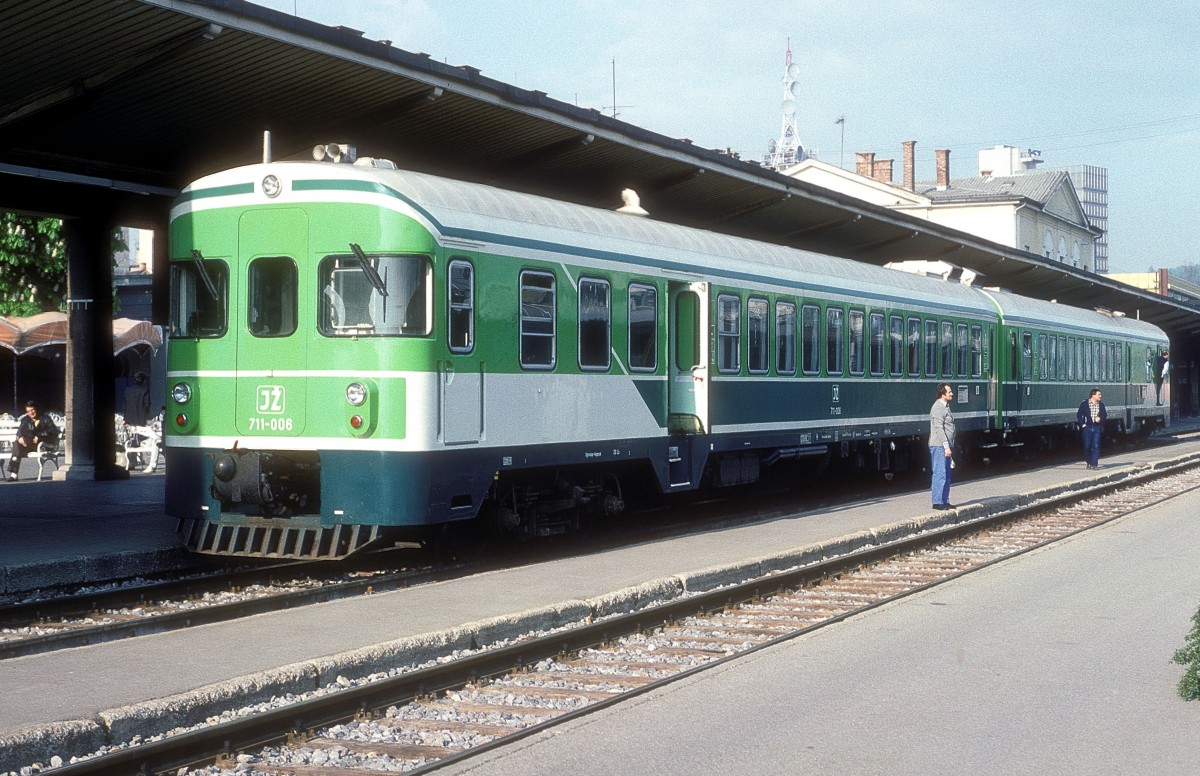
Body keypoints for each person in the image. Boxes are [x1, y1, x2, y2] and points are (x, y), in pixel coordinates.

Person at [4, 400, 59, 481]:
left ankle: (14, 475)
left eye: (32, 410)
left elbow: (53, 430)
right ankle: (14, 474)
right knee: (17, 443)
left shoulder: (45, 418)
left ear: (36, 409)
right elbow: (20, 430)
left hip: (44, 444)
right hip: (31, 444)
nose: (31, 413)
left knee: (17, 448)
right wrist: (20, 437)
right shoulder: (25, 420)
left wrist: (39, 436)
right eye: (28, 411)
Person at [928, 382, 956, 510]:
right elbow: (939, 429)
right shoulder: (938, 408)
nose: (952, 393)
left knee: (947, 473)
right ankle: (937, 501)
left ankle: (945, 500)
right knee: (940, 473)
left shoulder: (945, 407)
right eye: (949, 392)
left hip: (945, 446)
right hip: (939, 446)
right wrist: (946, 446)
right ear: (942, 393)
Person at [122, 372, 157, 472]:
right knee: (142, 438)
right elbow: (147, 404)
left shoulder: (127, 390)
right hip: (140, 418)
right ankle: (145, 460)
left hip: (129, 418)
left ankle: (132, 462)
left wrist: (126, 418)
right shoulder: (145, 390)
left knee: (130, 439)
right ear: (143, 380)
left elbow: (125, 404)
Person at [1076, 388, 1107, 470]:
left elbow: (1104, 415)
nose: (1101, 396)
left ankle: (1094, 464)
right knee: (1087, 446)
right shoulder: (1084, 404)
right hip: (1087, 428)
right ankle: (1088, 462)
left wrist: (1100, 418)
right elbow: (1079, 414)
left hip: (1097, 427)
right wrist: (1082, 424)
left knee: (1096, 446)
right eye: (1099, 394)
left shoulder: (1101, 405)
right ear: (1093, 395)